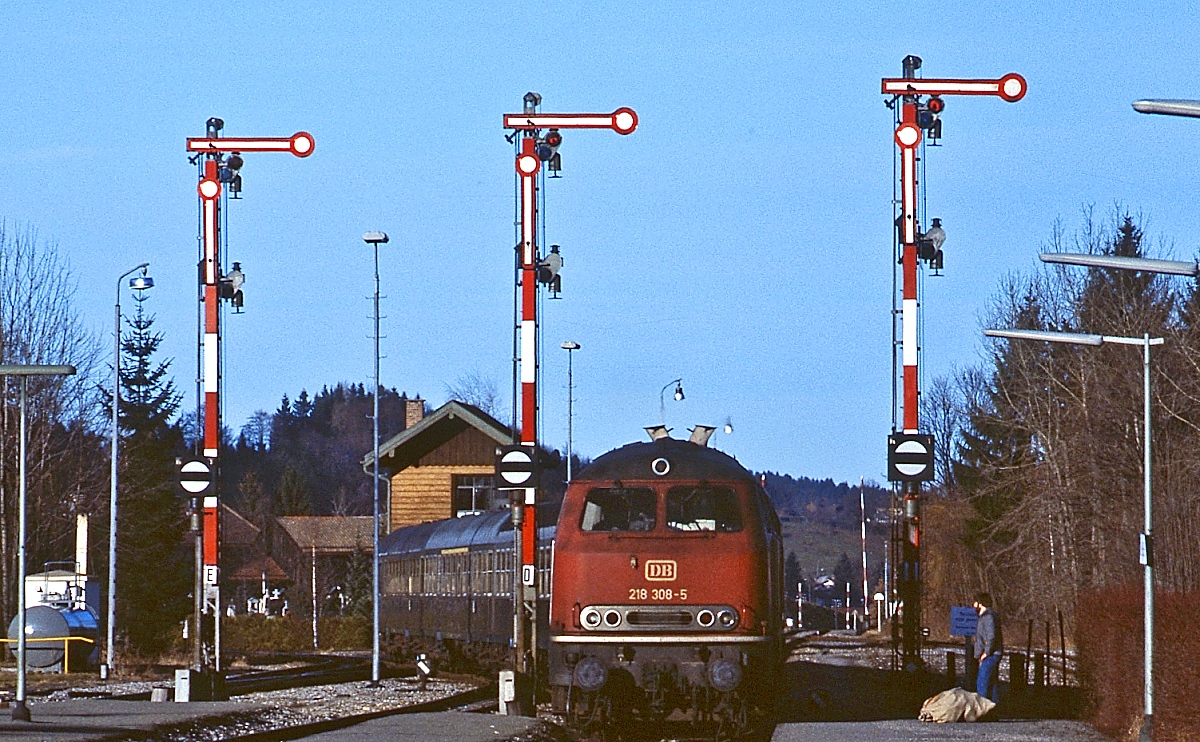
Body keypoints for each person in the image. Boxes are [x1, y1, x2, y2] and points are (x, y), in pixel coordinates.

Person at [973, 591, 1003, 703]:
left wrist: (986, 652)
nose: (973, 605)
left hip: (990, 655)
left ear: (980, 603)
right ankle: (993, 708)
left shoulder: (988, 617)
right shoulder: (987, 616)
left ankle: (982, 707)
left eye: (975, 602)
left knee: (982, 682)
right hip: (991, 654)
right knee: (991, 683)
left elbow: (991, 636)